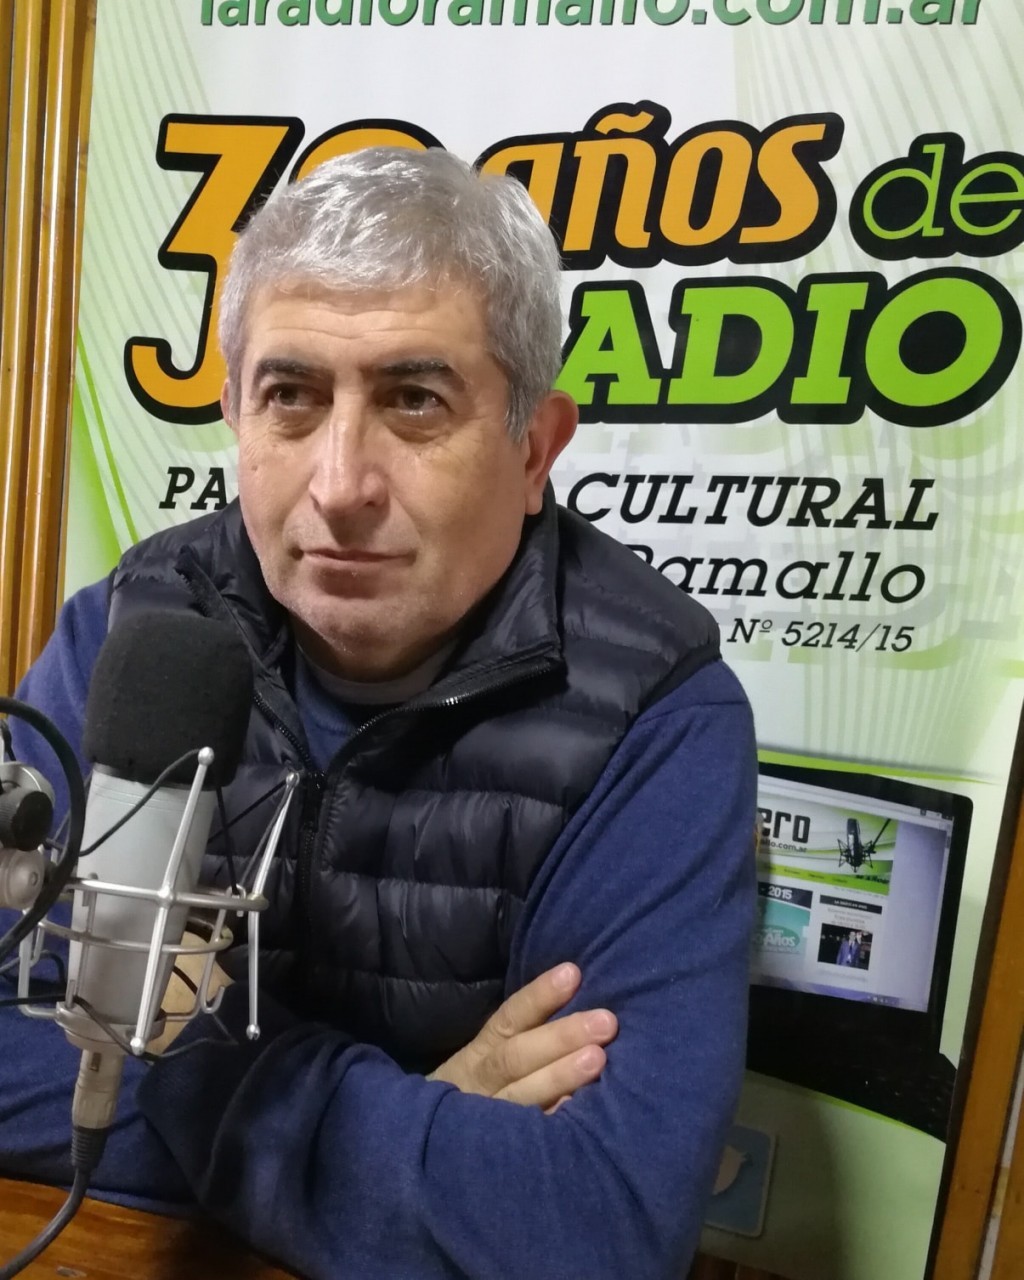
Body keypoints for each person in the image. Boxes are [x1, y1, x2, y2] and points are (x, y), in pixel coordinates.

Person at [0, 148, 757, 1279]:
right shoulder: (132, 631)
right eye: (291, 397)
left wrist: (163, 1050)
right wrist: (412, 1122)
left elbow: (594, 1227)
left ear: (535, 448)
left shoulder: (657, 714)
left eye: (413, 400)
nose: (340, 483)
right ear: (235, 416)